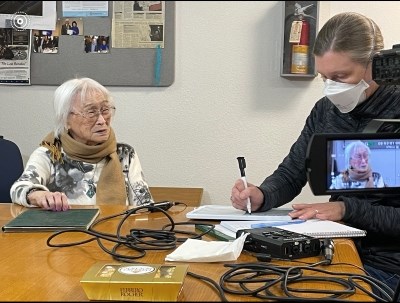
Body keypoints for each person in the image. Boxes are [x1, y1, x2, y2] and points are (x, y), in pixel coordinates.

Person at [230, 12, 400, 297]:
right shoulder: (325, 111)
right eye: (324, 77)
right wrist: (261, 194)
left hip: (387, 266)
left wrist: (347, 209)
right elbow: (291, 172)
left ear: (376, 65)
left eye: (341, 76)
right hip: (336, 249)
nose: (332, 87)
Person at [10, 77, 153, 211]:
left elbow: (144, 205)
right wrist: (39, 195)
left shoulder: (125, 154)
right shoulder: (50, 153)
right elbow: (19, 188)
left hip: (116, 233)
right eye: (91, 112)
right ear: (66, 120)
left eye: (105, 110)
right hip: (63, 234)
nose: (102, 120)